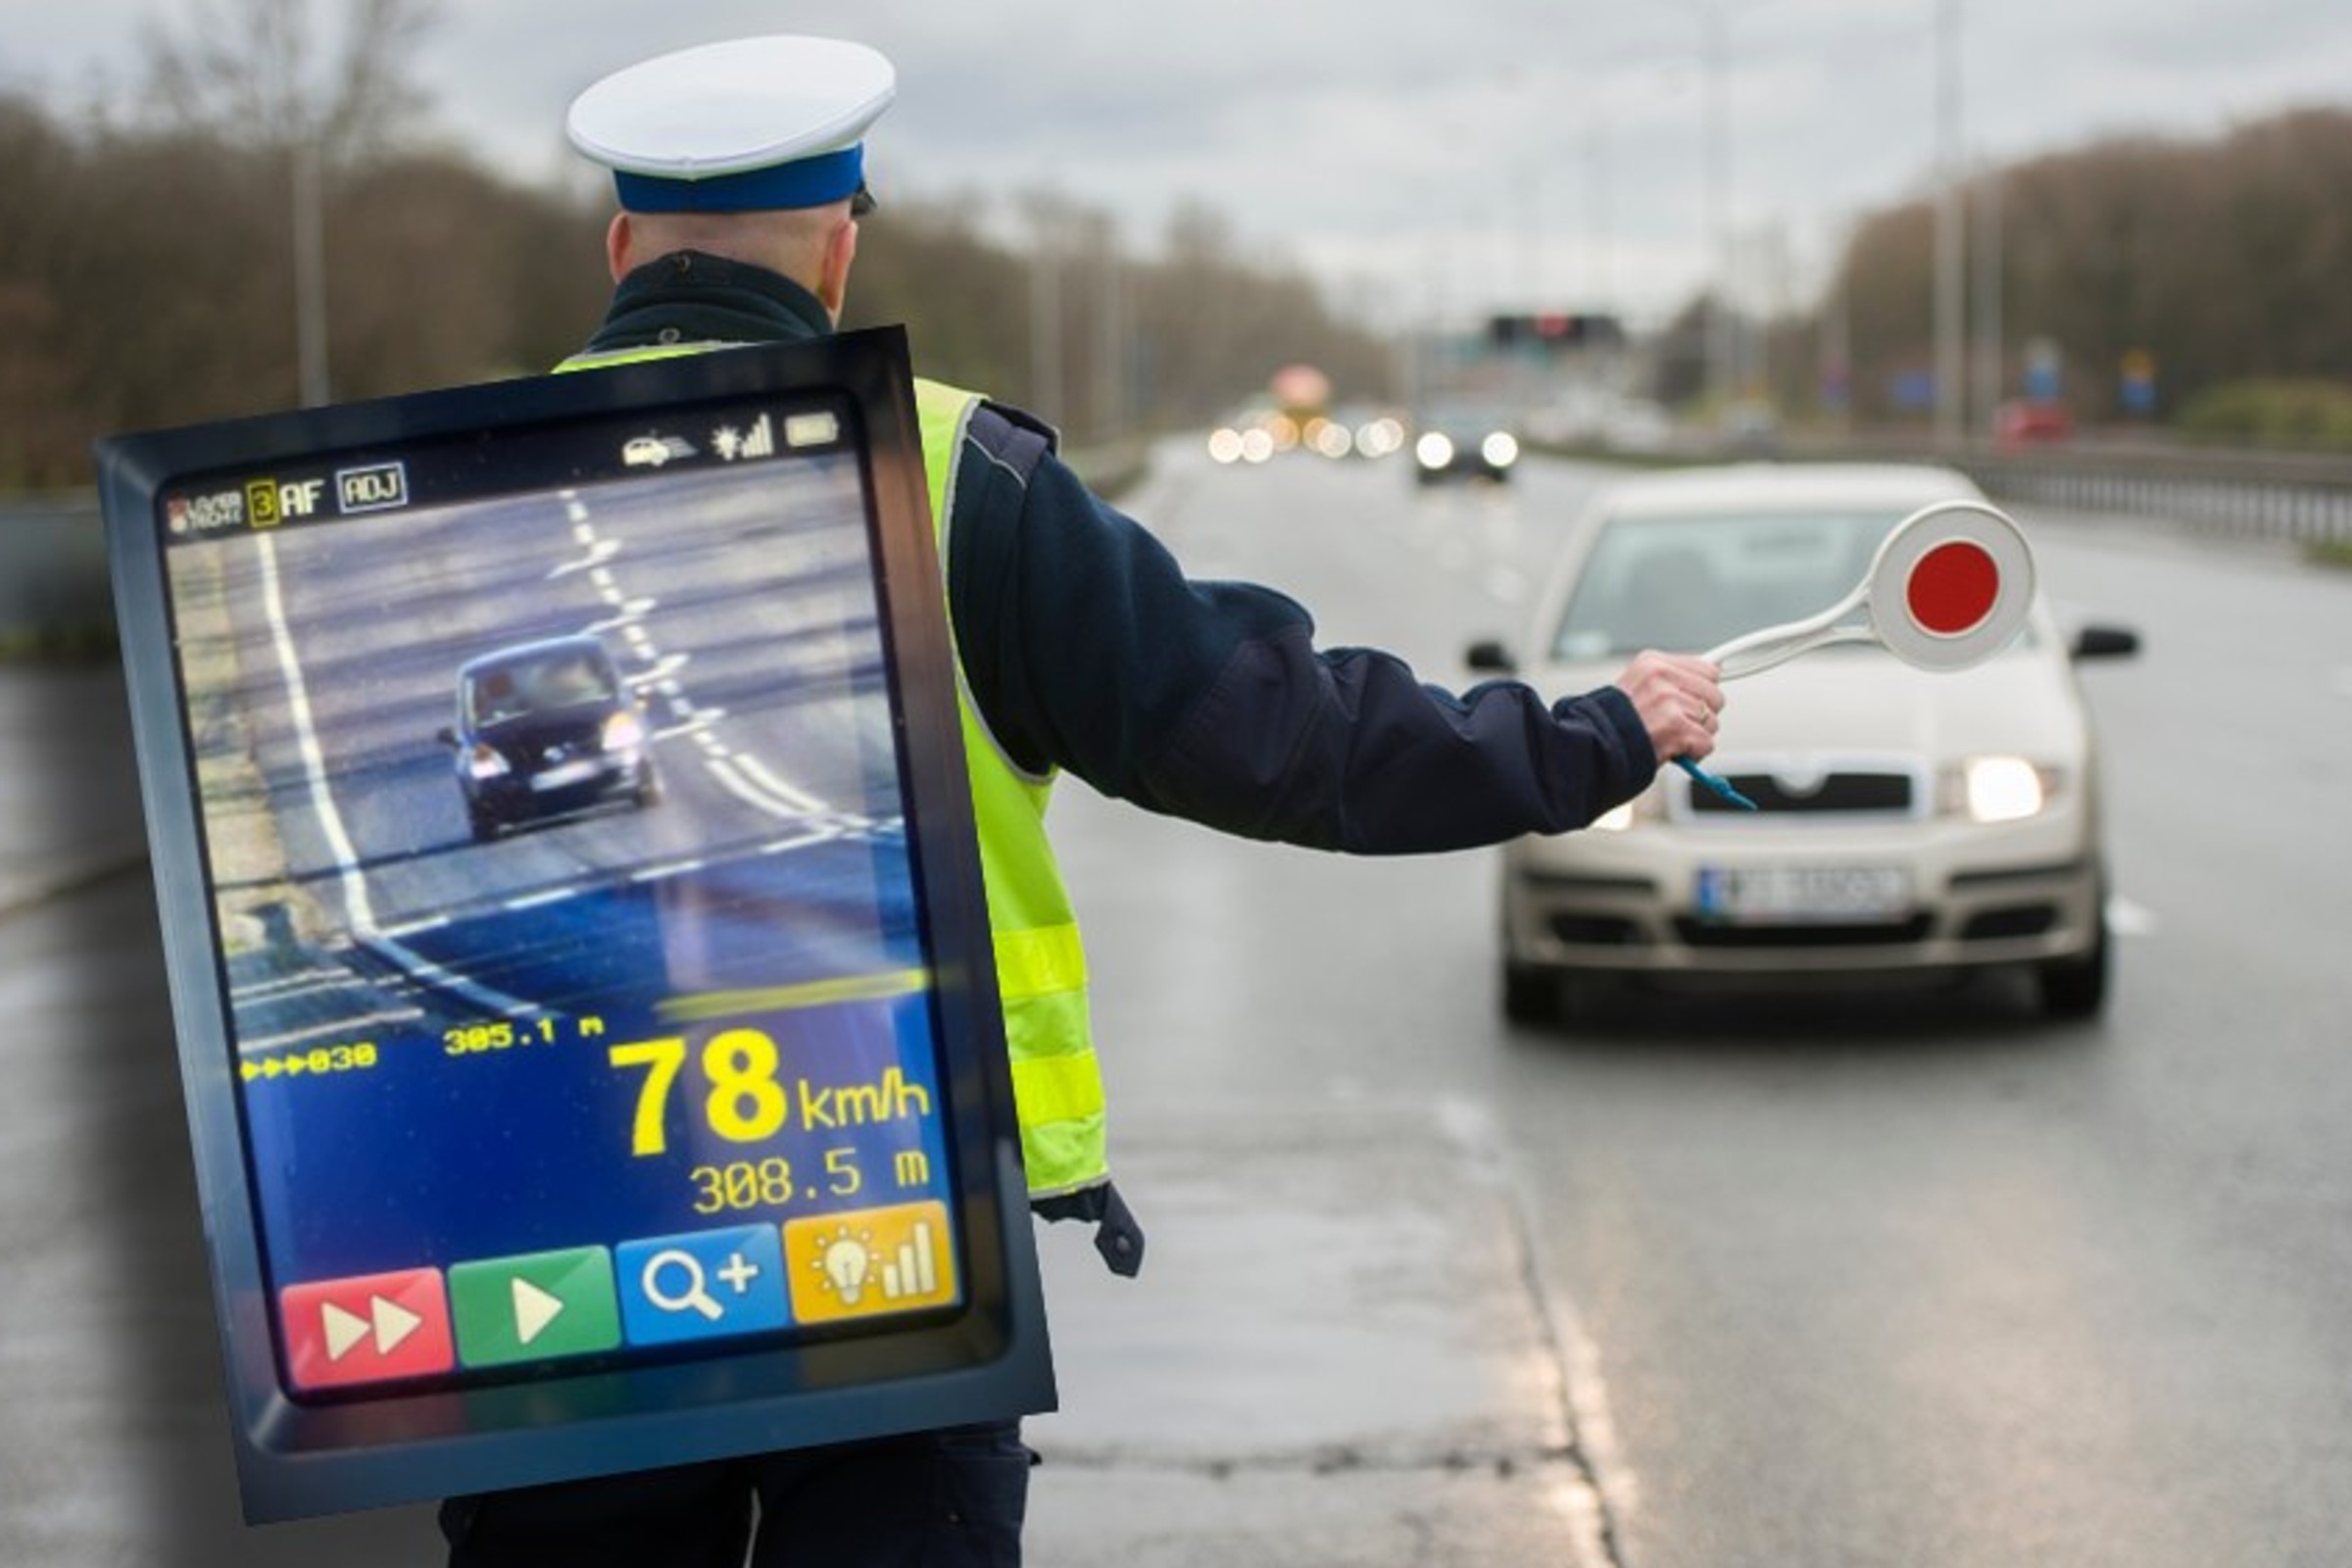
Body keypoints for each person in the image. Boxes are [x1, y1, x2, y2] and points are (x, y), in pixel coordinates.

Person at [438, 34, 1725, 1568]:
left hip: (545, 1249)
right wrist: (1586, 739)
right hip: (888, 1228)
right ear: (843, 248)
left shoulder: (443, 498)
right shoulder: (952, 476)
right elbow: (1280, 739)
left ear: (619, 250)